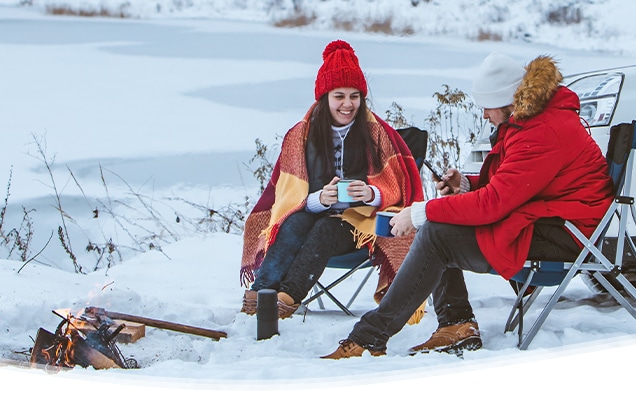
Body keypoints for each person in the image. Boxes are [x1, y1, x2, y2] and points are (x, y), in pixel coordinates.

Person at [322, 53, 613, 359]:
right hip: (548, 223)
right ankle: (455, 325)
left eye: (487, 106)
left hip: (564, 236)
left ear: (508, 101)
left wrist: (420, 212)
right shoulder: (537, 121)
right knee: (439, 227)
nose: (484, 114)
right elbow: (516, 184)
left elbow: (494, 204)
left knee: (436, 235)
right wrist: (466, 185)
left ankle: (371, 338)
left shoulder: (543, 132)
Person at [238, 40, 423, 320]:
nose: (348, 104)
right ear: (324, 97)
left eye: (354, 96)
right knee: (295, 222)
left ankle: (287, 298)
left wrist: (371, 193)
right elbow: (288, 197)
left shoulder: (378, 134)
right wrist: (320, 199)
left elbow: (398, 188)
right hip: (313, 215)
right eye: (339, 96)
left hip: (361, 226)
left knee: (326, 228)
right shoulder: (301, 135)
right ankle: (261, 291)